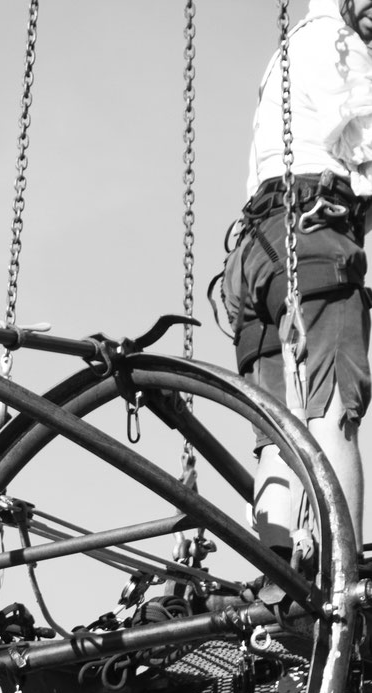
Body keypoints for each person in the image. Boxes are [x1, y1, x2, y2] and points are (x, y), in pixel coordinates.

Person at [219, 0, 372, 556]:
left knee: (275, 435)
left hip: (258, 252)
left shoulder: (286, 52)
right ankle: (342, 596)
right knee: (333, 412)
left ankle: (281, 588)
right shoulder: (338, 43)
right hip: (310, 236)